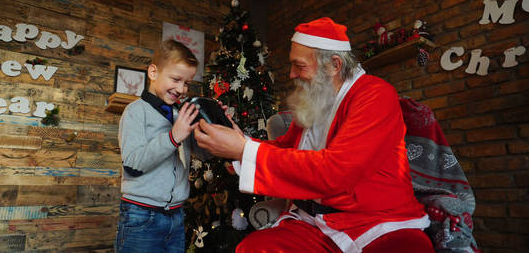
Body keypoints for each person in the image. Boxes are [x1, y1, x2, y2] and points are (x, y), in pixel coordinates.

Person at [194, 17, 435, 253]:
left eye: (299, 66)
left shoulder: (376, 95)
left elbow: (336, 172)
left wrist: (242, 150)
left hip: (377, 223)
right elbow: (286, 149)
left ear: (334, 65)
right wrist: (240, 140)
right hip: (314, 223)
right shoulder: (316, 99)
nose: (291, 74)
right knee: (252, 248)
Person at [115, 39, 200, 253]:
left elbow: (203, 154)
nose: (181, 89)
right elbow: (133, 164)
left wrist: (218, 123)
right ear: (153, 72)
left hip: (176, 215)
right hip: (141, 215)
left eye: (187, 83)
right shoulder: (135, 112)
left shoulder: (180, 115)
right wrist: (173, 137)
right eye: (176, 79)